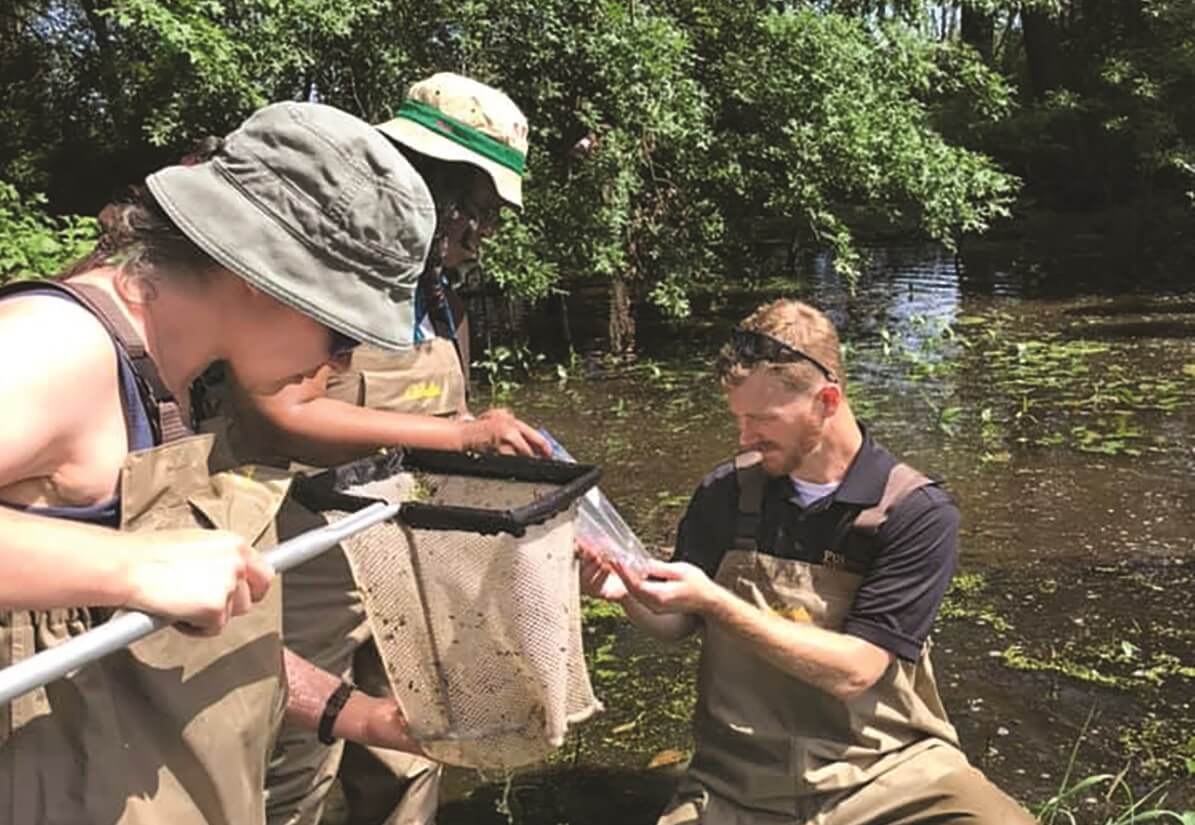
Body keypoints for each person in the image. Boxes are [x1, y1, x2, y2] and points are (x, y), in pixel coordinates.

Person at [0, 100, 438, 824]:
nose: (341, 363)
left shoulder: (179, 382)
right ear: (261, 274)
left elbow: (158, 648)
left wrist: (355, 714)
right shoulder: (58, 347)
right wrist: (129, 565)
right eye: (340, 329)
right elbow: (137, 580)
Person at [580, 299, 1035, 825]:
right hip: (737, 779)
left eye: (762, 420)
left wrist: (716, 600)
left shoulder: (914, 512)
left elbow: (857, 671)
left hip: (886, 772)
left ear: (827, 400)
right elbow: (679, 621)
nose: (744, 438)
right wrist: (629, 593)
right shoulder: (725, 492)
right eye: (738, 419)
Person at [250, 74, 546, 825]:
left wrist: (489, 444)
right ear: (417, 178)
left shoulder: (439, 292)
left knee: (410, 748)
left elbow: (437, 412)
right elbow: (283, 415)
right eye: (473, 209)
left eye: (491, 218)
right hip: (302, 551)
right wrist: (458, 433)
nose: (481, 231)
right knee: (292, 758)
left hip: (404, 547)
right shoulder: (322, 277)